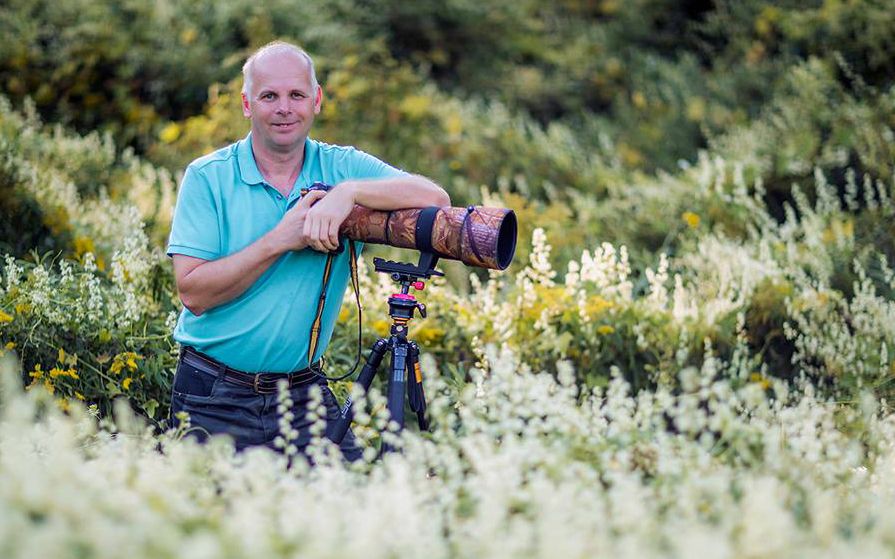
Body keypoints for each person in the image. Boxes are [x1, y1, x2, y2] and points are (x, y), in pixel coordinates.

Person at [165, 41, 450, 460]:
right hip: (213, 393)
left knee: (346, 507)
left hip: (302, 395)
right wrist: (282, 238)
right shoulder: (207, 177)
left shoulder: (341, 167)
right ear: (247, 104)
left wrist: (348, 192)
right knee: (214, 522)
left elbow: (436, 197)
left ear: (316, 101)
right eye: (269, 96)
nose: (285, 108)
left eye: (296, 95)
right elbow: (194, 293)